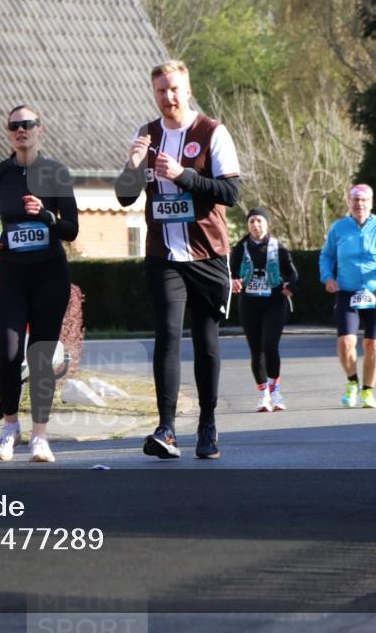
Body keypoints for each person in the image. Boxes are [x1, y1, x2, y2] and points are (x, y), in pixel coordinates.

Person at [115, 60, 241, 459]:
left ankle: (208, 425)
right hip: (164, 256)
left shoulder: (212, 132)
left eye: (173, 89)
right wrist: (134, 165)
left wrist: (184, 175)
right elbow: (123, 197)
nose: (167, 97)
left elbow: (231, 193)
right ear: (153, 94)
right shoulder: (146, 135)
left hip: (208, 254)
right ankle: (166, 428)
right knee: (167, 336)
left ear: (186, 90)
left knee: (205, 342)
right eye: (160, 91)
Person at [0, 105, 79, 461]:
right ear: (9, 133)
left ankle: (40, 435)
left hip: (49, 273)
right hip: (10, 273)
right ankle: (10, 428)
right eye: (14, 126)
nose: (21, 130)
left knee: (40, 355)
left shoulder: (56, 173)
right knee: (7, 353)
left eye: (27, 125)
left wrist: (47, 215)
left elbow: (71, 228)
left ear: (41, 130)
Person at [319, 184, 376, 409]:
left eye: (364, 200)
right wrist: (328, 277)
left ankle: (368, 391)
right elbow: (326, 255)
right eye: (355, 200)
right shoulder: (339, 228)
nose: (360, 204)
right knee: (346, 341)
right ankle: (351, 382)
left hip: (375, 290)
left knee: (373, 345)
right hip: (347, 290)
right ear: (349, 202)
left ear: (371, 203)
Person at [230, 206, 299, 412]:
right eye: (252, 221)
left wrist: (289, 285)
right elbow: (231, 273)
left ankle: (275, 392)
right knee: (256, 350)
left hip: (274, 303)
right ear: (248, 225)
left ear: (267, 224)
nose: (256, 225)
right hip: (249, 304)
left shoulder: (278, 247)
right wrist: (234, 281)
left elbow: (292, 273)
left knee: (270, 346)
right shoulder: (240, 248)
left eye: (259, 221)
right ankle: (263, 395)